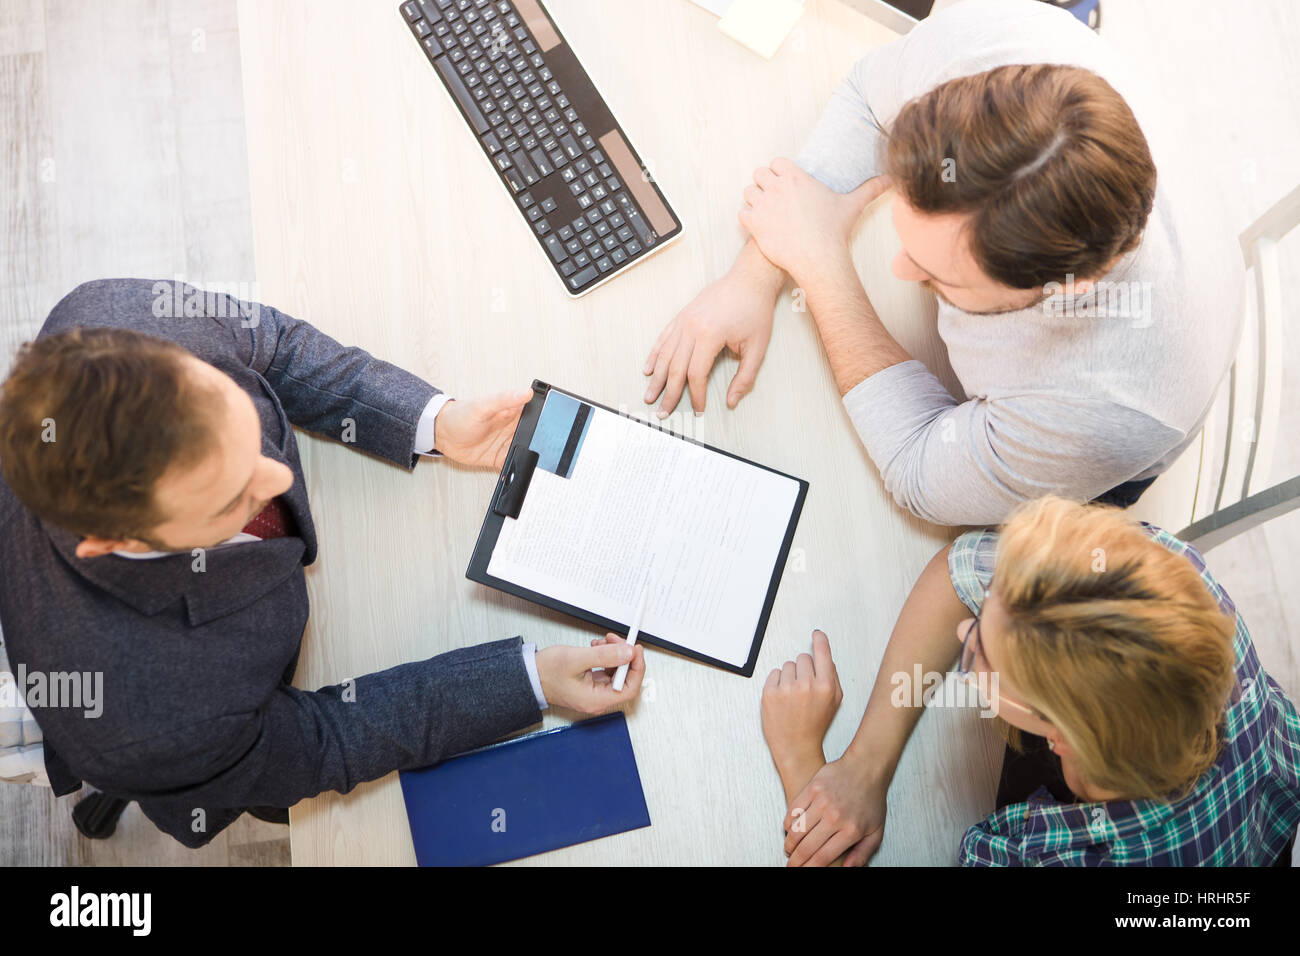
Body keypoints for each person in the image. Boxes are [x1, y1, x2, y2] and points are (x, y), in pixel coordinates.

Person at [0, 278, 644, 849]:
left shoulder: (106, 318)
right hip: (208, 739)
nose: (278, 474)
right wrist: (530, 681)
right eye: (231, 496)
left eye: (247, 434)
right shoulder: (160, 724)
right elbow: (325, 742)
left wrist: (436, 425)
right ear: (124, 542)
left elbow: (272, 346)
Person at [642, 0, 1243, 524]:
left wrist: (822, 266)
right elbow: (866, 97)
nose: (902, 269)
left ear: (1062, 288)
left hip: (1072, 465)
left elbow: (915, 467)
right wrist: (757, 271)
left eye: (937, 277)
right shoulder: (997, 42)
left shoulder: (1102, 412)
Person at [761, 496, 1300, 866]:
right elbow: (958, 571)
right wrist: (861, 767)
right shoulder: (1164, 573)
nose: (960, 630)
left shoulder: (1063, 855)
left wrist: (800, 760)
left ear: (1060, 737)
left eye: (984, 657)